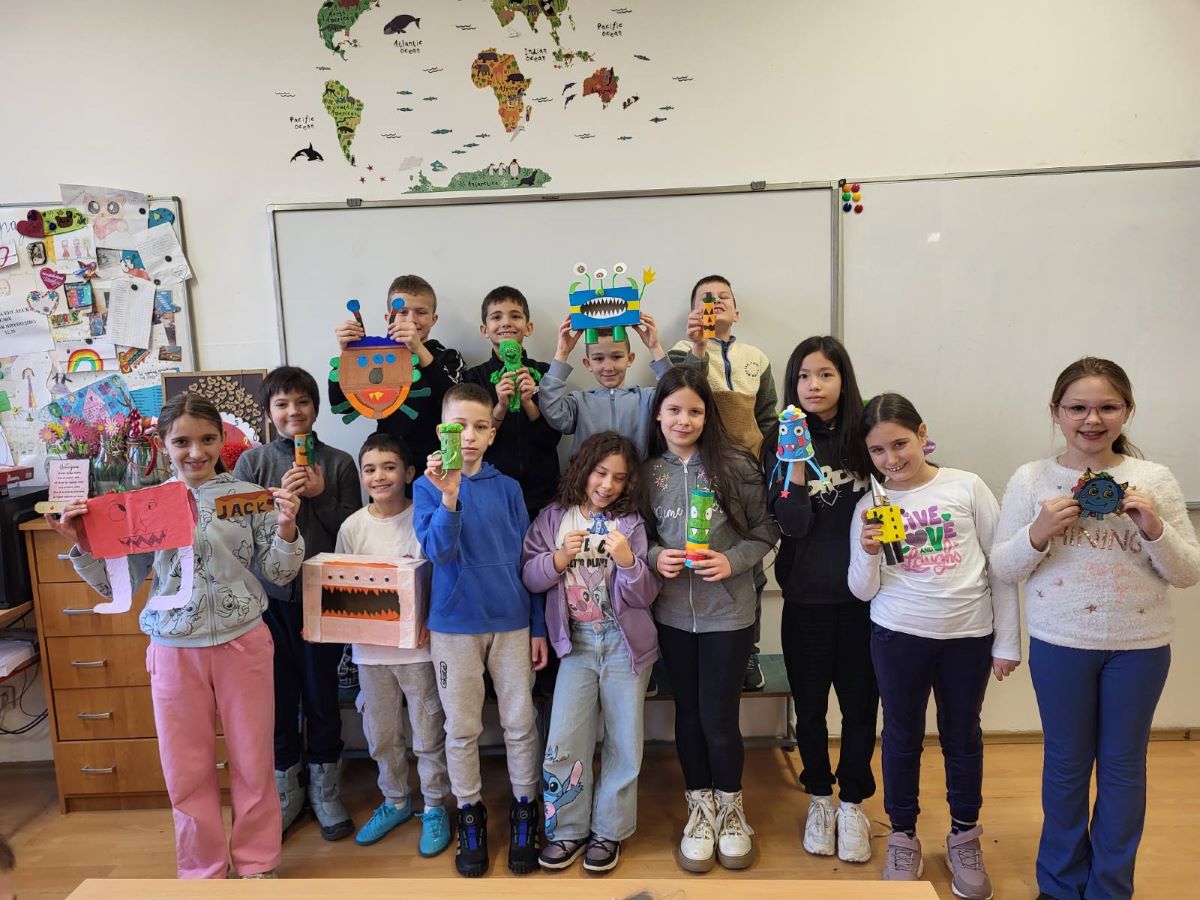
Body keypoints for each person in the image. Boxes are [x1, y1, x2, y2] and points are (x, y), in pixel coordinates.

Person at [48, 392, 304, 879]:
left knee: (254, 762)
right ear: (163, 444)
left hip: (244, 645)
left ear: (222, 439)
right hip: (173, 651)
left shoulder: (248, 497)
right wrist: (82, 544)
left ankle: (257, 863)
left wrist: (287, 529)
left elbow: (279, 572)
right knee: (185, 770)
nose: (196, 452)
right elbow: (120, 584)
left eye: (207, 439)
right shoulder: (142, 506)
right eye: (182, 441)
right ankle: (202, 871)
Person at [990, 357, 1200, 900]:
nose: (1092, 419)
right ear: (1056, 411)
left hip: (1140, 649)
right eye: (1077, 407)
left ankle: (1110, 887)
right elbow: (1004, 567)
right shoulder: (1031, 479)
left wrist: (1154, 528)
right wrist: (1038, 532)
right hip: (1062, 645)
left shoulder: (1153, 480)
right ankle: (1060, 885)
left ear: (1127, 411)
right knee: (1065, 766)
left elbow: (1187, 573)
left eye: (1107, 407)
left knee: (1124, 768)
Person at [848, 393, 1020, 898]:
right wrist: (868, 551)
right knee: (901, 737)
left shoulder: (966, 486)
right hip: (898, 635)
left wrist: (1007, 642)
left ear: (922, 434)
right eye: (878, 451)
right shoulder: (871, 505)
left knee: (962, 736)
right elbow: (861, 590)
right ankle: (903, 835)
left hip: (967, 638)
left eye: (900, 443)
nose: (891, 459)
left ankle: (965, 834)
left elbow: (1001, 567)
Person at [641, 366, 778, 873]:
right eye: (674, 410)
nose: (684, 420)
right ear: (658, 414)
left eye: (695, 411)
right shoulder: (646, 472)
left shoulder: (736, 464)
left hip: (729, 614)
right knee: (689, 715)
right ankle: (699, 808)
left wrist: (732, 561)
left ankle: (731, 809)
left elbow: (766, 529)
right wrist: (654, 556)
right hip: (672, 615)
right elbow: (637, 534)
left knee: (719, 717)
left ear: (708, 415)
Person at [414, 382, 549, 877]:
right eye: (458, 427)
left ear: (492, 433)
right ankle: (469, 812)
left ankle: (525, 808)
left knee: (520, 722)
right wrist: (449, 495)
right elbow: (438, 552)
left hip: (511, 623)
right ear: (441, 431)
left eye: (479, 426)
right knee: (462, 728)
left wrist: (537, 624)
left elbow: (529, 560)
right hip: (454, 628)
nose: (468, 436)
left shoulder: (509, 488)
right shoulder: (427, 486)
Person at [522, 432, 661, 874]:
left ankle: (609, 830)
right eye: (601, 473)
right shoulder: (553, 519)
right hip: (576, 645)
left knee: (624, 741)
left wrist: (628, 561)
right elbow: (529, 576)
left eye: (619, 478)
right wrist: (558, 558)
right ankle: (567, 828)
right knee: (564, 738)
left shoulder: (631, 524)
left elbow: (645, 594)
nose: (607, 485)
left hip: (624, 645)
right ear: (583, 470)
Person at [763, 336, 877, 863]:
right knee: (808, 709)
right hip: (805, 598)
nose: (814, 385)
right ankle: (819, 798)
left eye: (825, 374)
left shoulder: (866, 435)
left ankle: (852, 802)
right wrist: (795, 460)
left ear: (843, 379)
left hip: (864, 599)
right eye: (804, 376)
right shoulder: (779, 439)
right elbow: (793, 524)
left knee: (860, 707)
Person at [234, 366, 360, 840]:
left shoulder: (340, 462)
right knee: (277, 699)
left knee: (322, 696)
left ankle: (326, 791)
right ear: (268, 414)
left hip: (323, 597)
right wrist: (276, 509)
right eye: (282, 404)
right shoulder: (252, 464)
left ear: (316, 407)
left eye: (302, 402)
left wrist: (321, 497)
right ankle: (286, 790)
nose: (294, 412)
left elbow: (353, 533)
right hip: (267, 602)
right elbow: (238, 535)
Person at [335, 433, 451, 857]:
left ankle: (435, 805)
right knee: (381, 734)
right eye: (369, 469)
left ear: (409, 472)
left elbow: (440, 577)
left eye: (389, 467)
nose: (379, 476)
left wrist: (429, 625)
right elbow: (341, 589)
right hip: (370, 654)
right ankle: (396, 800)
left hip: (419, 651)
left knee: (427, 731)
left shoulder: (425, 515)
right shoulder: (352, 527)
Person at [669, 274, 778, 690]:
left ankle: (749, 650)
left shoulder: (757, 358)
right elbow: (683, 396)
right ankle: (688, 647)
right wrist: (698, 347)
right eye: (705, 299)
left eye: (723, 298)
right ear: (693, 311)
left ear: (737, 311)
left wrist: (769, 468)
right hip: (699, 470)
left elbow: (767, 418)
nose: (715, 304)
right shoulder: (681, 351)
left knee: (751, 567)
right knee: (698, 558)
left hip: (748, 474)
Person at [331, 274, 466, 468]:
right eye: (402, 312)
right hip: (389, 465)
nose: (411, 320)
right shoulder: (374, 358)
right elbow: (341, 405)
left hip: (437, 464)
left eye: (421, 312)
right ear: (389, 318)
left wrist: (418, 348)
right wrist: (346, 354)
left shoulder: (448, 357)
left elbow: (458, 404)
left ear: (434, 319)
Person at [461, 285, 560, 518]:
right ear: (485, 330)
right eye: (496, 317)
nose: (506, 323)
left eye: (515, 316)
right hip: (490, 492)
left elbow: (551, 439)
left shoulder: (545, 373)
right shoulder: (474, 379)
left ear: (528, 327)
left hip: (542, 493)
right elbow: (472, 441)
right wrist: (500, 407)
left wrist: (528, 402)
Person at [537, 315, 693, 459]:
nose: (608, 367)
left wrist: (655, 347)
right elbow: (550, 407)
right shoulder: (579, 402)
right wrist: (562, 352)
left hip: (636, 478)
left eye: (616, 357)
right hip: (588, 479)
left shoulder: (646, 399)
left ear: (630, 359)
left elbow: (679, 396)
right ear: (588, 363)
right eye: (598, 358)